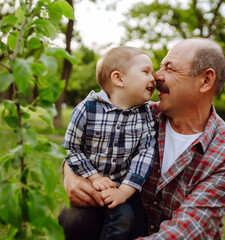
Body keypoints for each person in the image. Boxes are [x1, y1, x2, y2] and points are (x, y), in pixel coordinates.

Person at [59, 38, 225, 239]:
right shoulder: (136, 116)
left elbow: (186, 230)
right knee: (75, 216)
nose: (156, 76)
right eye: (158, 68)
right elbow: (85, 146)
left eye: (169, 69)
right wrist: (70, 175)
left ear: (205, 81)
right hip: (126, 225)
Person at [61, 46, 157, 240]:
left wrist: (123, 191)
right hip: (89, 184)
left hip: (123, 187)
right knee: (73, 219)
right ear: (118, 79)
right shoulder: (87, 109)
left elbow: (145, 154)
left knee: (125, 218)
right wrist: (94, 177)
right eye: (146, 72)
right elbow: (71, 147)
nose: (153, 78)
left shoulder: (145, 114)